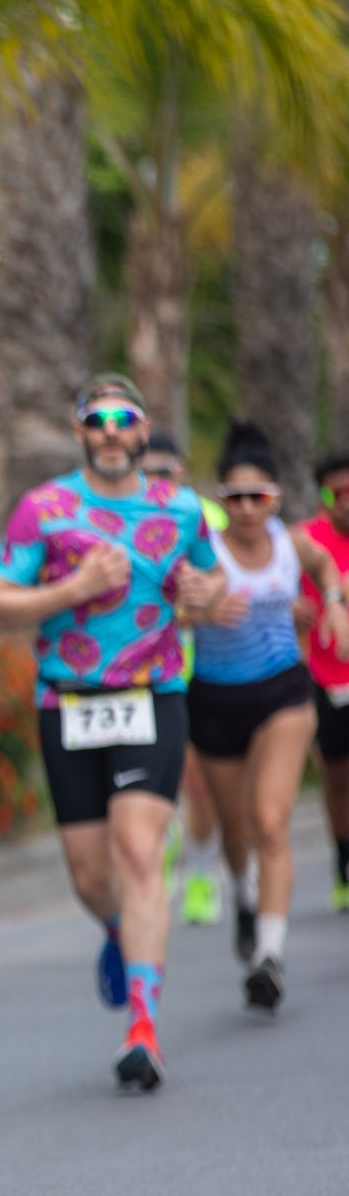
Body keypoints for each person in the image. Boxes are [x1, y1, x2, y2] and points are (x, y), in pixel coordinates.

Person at [0, 375, 223, 1091]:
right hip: (68, 701)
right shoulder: (45, 510)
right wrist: (73, 589)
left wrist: (206, 597)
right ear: (80, 431)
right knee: (90, 876)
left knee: (139, 850)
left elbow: (212, 589)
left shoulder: (179, 509)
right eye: (98, 420)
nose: (112, 431)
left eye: (124, 419)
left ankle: (143, 1026)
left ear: (145, 430)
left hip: (152, 695)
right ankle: (121, 934)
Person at [189, 423, 349, 1012]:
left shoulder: (294, 543)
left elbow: (328, 568)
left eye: (260, 498)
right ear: (222, 500)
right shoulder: (202, 547)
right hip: (214, 699)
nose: (249, 510)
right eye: (236, 499)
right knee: (236, 832)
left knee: (269, 819)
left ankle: (271, 956)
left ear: (276, 499)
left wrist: (332, 604)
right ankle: (243, 895)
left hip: (282, 692)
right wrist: (198, 610)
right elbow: (167, 608)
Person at [142, 430, 227, 928]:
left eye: (165, 472)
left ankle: (200, 876)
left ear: (182, 470)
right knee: (163, 781)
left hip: (206, 672)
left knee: (199, 781)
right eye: (147, 472)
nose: (156, 481)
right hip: (151, 673)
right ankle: (168, 843)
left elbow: (228, 584)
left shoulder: (205, 519)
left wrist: (204, 603)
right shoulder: (124, 520)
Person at [295, 452, 349, 914]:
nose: (346, 502)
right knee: (336, 775)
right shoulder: (305, 542)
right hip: (323, 676)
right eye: (337, 493)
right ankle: (343, 863)